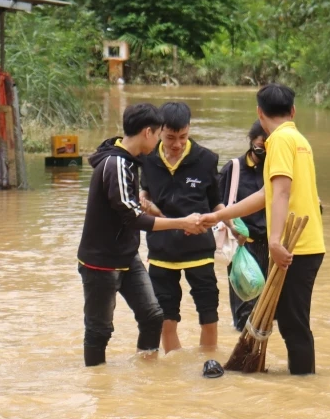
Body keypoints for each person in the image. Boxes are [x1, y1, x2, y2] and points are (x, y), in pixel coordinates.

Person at [200, 84, 325, 375]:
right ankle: (303, 383)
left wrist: (275, 242)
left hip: (296, 246)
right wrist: (217, 215)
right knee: (291, 319)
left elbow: (280, 193)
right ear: (293, 111)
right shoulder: (299, 139)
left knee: (294, 324)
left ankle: (303, 384)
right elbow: (266, 195)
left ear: (259, 112)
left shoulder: (279, 141)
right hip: (307, 243)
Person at [76, 103, 202, 367]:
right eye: (159, 135)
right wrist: (180, 222)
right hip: (101, 262)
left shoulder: (129, 162)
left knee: (153, 317)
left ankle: (147, 377)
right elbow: (133, 217)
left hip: (126, 256)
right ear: (148, 132)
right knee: (99, 330)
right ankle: (98, 387)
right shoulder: (116, 164)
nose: (159, 142)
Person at [139, 102, 224, 353]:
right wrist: (142, 197)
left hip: (199, 251)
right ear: (159, 131)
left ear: (189, 130)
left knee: (208, 313)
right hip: (161, 251)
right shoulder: (148, 159)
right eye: (169, 138)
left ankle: (207, 365)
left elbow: (216, 203)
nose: (176, 144)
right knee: (166, 318)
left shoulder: (206, 159)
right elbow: (145, 190)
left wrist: (232, 226)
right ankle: (173, 370)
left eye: (183, 137)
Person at [217, 120, 269, 331]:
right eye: (260, 145)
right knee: (244, 307)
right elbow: (215, 202)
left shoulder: (276, 169)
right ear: (250, 141)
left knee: (267, 308)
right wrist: (232, 227)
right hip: (242, 245)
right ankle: (243, 348)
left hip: (270, 244)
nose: (263, 150)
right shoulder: (234, 169)